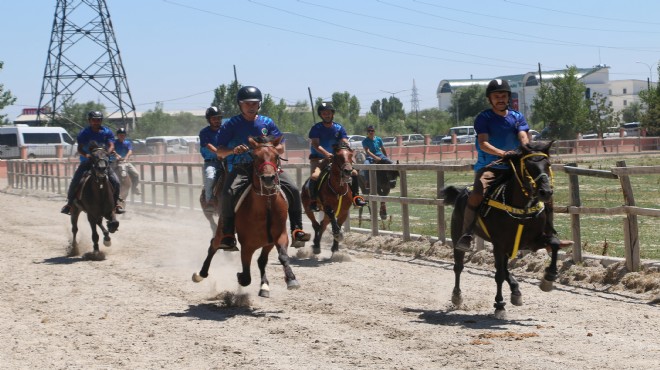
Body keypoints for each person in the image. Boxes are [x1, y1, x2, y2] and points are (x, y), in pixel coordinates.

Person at [454, 79, 559, 252]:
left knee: (544, 190)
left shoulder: (517, 117)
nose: (500, 99)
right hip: (491, 167)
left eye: (504, 95)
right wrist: (503, 154)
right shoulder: (483, 118)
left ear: (508, 97)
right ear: (490, 99)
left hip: (515, 167)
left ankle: (549, 233)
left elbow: (523, 136)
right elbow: (483, 144)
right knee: (476, 195)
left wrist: (525, 148)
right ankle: (467, 234)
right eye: (497, 96)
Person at [215, 86, 311, 251]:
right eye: (247, 104)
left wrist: (275, 150)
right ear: (240, 105)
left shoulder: (267, 122)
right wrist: (233, 150)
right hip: (241, 167)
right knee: (228, 193)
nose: (251, 106)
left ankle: (297, 230)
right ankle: (228, 235)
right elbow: (219, 151)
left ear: (259, 104)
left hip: (268, 167)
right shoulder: (232, 124)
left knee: (294, 189)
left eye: (254, 103)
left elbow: (281, 145)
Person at [61, 111, 124, 215]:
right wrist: (87, 155)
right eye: (94, 120)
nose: (96, 122)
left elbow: (111, 145)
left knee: (116, 182)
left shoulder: (107, 132)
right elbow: (80, 149)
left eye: (98, 120)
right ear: (89, 121)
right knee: (75, 181)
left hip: (103, 162)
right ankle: (69, 204)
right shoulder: (84, 133)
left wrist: (106, 154)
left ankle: (116, 204)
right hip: (87, 162)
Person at [307, 102, 367, 211]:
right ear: (321, 115)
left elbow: (344, 141)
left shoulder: (339, 128)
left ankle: (356, 197)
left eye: (329, 113)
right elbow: (315, 144)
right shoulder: (316, 128)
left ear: (332, 114)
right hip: (319, 159)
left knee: (353, 173)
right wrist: (327, 154)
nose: (327, 115)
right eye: (324, 113)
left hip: (337, 159)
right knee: (315, 176)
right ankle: (313, 201)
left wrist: (343, 148)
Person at [199, 106, 224, 209]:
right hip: (211, 162)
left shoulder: (225, 130)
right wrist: (219, 153)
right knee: (210, 177)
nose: (217, 121)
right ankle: (209, 201)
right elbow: (208, 145)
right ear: (209, 120)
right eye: (214, 118)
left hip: (227, 160)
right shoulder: (204, 132)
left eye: (218, 118)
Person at [112, 128, 141, 196]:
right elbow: (112, 149)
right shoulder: (114, 142)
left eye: (123, 135)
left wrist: (126, 157)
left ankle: (134, 188)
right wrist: (116, 155)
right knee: (109, 173)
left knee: (136, 174)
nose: (122, 136)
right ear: (117, 135)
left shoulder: (127, 143)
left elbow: (130, 150)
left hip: (125, 162)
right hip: (115, 161)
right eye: (120, 135)